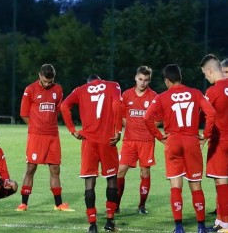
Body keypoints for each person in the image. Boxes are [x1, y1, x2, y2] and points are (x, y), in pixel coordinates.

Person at [144, 64, 215, 233]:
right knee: (196, 185)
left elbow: (147, 117)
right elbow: (211, 113)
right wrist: (205, 135)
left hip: (173, 141)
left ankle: (179, 227)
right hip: (192, 141)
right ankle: (201, 227)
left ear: (167, 81)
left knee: (176, 186)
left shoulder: (162, 97)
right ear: (181, 77)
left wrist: (160, 137)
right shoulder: (196, 93)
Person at [61, 74, 123, 233]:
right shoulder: (113, 85)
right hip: (107, 140)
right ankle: (110, 221)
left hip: (88, 142)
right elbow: (117, 104)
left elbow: (64, 106)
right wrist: (117, 130)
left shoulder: (81, 90)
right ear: (100, 80)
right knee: (111, 180)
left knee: (89, 182)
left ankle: (92, 224)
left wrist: (72, 130)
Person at [16, 64, 74, 212]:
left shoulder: (58, 89)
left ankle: (58, 204)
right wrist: (35, 127)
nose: (48, 84)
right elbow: (23, 113)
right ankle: (23, 203)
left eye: (50, 81)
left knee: (55, 169)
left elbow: (59, 110)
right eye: (45, 81)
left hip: (53, 135)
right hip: (36, 136)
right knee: (31, 168)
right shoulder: (30, 89)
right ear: (39, 76)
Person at [117, 66, 158, 215]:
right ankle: (116, 205)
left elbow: (159, 120)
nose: (142, 83)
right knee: (120, 171)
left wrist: (146, 127)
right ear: (135, 78)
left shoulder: (154, 97)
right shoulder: (126, 95)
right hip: (129, 141)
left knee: (145, 172)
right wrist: (133, 127)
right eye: (140, 79)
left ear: (149, 80)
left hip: (147, 141)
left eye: (146, 80)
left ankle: (141, 205)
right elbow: (121, 116)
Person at [199, 54, 228, 233]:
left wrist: (204, 136)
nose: (205, 76)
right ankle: (220, 220)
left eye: (204, 73)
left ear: (210, 70)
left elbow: (205, 115)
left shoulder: (213, 91)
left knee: (221, 181)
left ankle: (225, 224)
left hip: (220, 142)